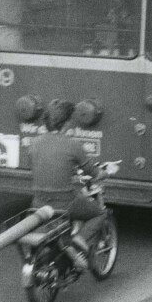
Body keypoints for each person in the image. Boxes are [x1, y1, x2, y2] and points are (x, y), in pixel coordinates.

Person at [29, 99, 119, 270]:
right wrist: (109, 171)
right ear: (66, 122)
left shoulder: (34, 143)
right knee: (99, 214)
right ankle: (79, 241)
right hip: (65, 203)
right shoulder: (72, 144)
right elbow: (95, 173)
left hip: (38, 203)